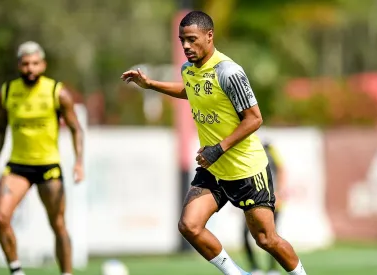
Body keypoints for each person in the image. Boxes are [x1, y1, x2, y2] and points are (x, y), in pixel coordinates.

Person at [121, 11, 307, 275]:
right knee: (189, 226)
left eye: (192, 39)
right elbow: (190, 91)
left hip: (246, 169)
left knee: (266, 239)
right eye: (182, 40)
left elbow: (254, 119)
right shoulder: (189, 70)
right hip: (214, 168)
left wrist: (218, 149)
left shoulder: (228, 72)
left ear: (209, 36)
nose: (186, 46)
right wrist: (150, 85)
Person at [0, 41, 84, 275]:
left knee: (58, 224)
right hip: (17, 166)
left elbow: (76, 128)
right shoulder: (7, 92)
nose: (30, 68)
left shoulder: (57, 92)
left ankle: (66, 273)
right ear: (18, 66)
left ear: (43, 65)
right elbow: (0, 128)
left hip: (48, 167)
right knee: (1, 217)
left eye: (34, 63)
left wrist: (79, 162)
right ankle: (16, 270)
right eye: (25, 64)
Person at [244, 142, 286, 275]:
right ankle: (255, 267)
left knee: (271, 235)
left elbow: (281, 169)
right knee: (245, 234)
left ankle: (273, 268)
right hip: (251, 200)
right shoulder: (244, 149)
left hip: (271, 199)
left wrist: (279, 192)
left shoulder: (269, 148)